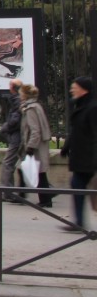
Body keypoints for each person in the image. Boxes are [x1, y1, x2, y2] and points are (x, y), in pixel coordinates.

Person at [59, 76, 97, 231]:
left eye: (74, 87)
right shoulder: (81, 106)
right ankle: (79, 221)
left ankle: (79, 222)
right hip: (82, 157)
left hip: (89, 157)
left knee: (78, 185)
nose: (71, 89)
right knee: (77, 185)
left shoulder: (93, 107)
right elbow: (76, 131)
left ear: (83, 89)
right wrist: (66, 147)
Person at [18, 83, 53, 208]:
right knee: (39, 172)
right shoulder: (36, 106)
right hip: (39, 144)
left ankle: (45, 199)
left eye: (21, 93)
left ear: (25, 95)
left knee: (38, 173)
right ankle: (45, 197)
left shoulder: (30, 109)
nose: (19, 95)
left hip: (35, 146)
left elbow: (35, 130)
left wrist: (30, 147)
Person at [0, 78, 22, 202]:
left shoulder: (17, 101)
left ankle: (7, 192)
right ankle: (48, 189)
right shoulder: (18, 100)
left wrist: (4, 128)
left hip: (17, 137)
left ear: (11, 88)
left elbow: (15, 120)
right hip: (19, 136)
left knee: (8, 163)